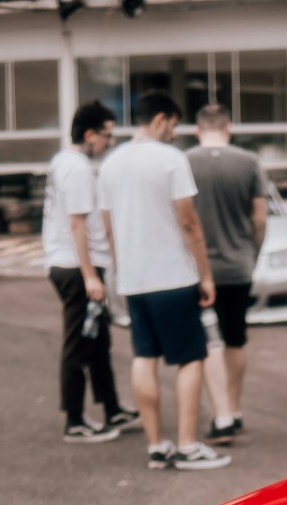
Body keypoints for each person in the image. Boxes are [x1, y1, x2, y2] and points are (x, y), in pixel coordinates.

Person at [98, 89, 230, 472]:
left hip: (134, 279)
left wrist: (120, 270)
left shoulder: (111, 163)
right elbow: (189, 223)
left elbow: (107, 227)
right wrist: (205, 275)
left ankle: (157, 446)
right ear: (159, 119)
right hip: (173, 276)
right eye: (172, 123)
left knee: (145, 357)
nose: (174, 131)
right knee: (191, 358)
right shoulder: (171, 159)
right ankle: (187, 446)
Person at [42, 100, 138, 444]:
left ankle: (111, 408)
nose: (110, 142)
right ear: (89, 134)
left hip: (68, 262)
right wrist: (90, 276)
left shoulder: (62, 161)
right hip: (75, 267)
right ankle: (75, 420)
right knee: (79, 344)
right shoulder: (79, 168)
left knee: (98, 340)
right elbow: (77, 224)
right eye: (107, 135)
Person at [187, 103, 269, 445]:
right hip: (238, 266)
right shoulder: (249, 162)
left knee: (208, 342)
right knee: (235, 338)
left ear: (197, 129)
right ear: (228, 126)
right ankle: (233, 409)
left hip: (196, 268)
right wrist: (252, 252)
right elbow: (261, 218)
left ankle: (220, 414)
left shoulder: (184, 162)